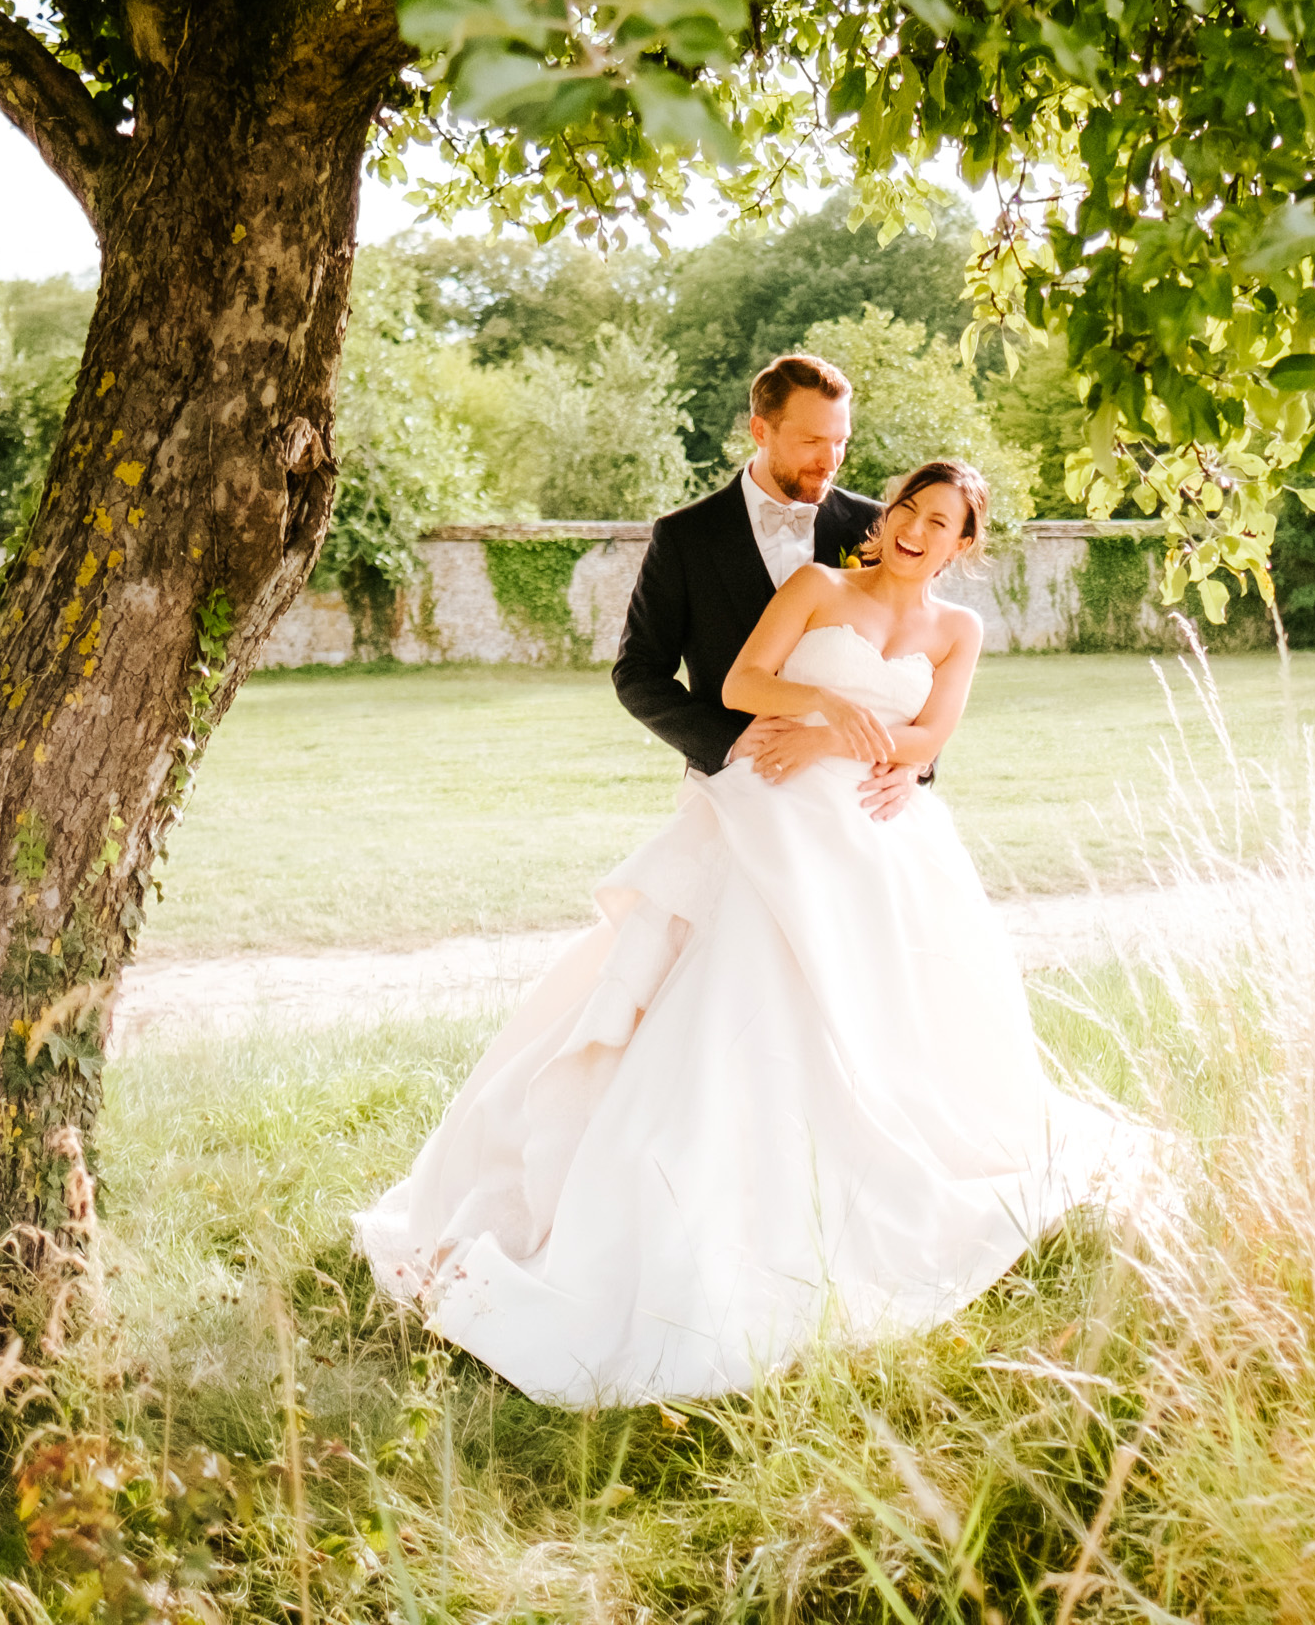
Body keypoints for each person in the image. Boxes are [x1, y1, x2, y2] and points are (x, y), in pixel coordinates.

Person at [354, 458, 1125, 1407]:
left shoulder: (957, 629)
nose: (921, 531)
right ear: (889, 517)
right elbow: (743, 680)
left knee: (895, 1006)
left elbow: (930, 738)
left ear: (966, 544)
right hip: (771, 806)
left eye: (944, 523)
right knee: (734, 985)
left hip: (881, 832)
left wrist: (845, 740)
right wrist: (830, 706)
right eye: (911, 511)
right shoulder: (818, 584)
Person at [613, 351, 922, 819]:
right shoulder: (685, 537)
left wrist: (915, 762)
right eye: (812, 441)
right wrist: (726, 742)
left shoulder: (873, 527)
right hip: (734, 792)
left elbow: (921, 650)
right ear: (761, 431)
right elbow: (638, 673)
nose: (829, 461)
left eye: (841, 442)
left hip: (855, 799)